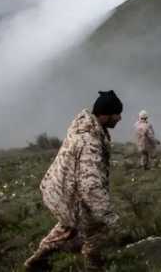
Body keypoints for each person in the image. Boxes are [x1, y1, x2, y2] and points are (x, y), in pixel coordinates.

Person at [24, 90, 123, 272]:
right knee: (97, 230)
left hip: (63, 190)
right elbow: (90, 186)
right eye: (117, 113)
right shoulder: (89, 142)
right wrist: (108, 215)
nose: (120, 118)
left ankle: (37, 260)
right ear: (105, 114)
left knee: (67, 227)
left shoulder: (85, 128)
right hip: (73, 193)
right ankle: (94, 266)